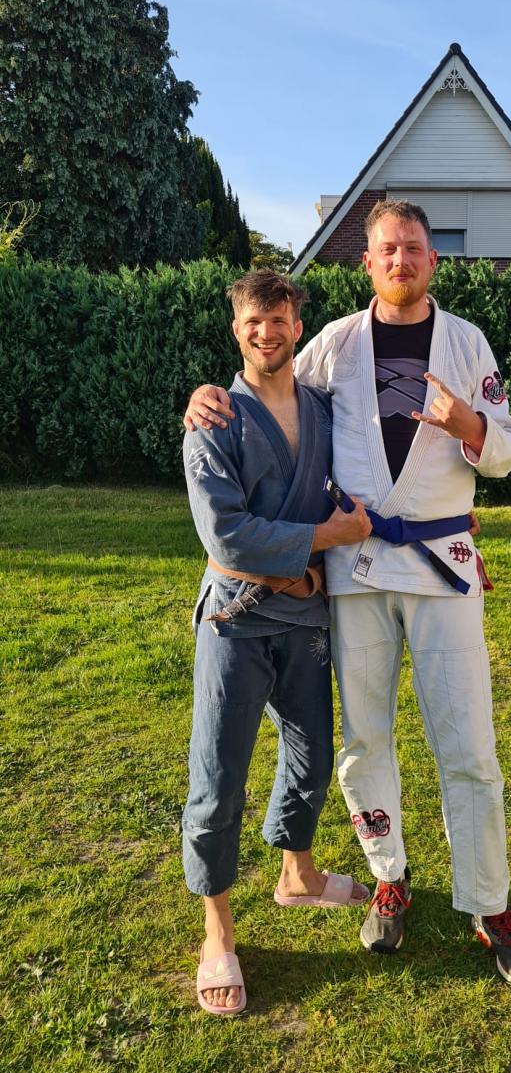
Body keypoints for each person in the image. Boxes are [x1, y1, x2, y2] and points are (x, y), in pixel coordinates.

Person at [184, 201, 511, 986]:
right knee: (364, 740)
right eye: (388, 249)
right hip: (358, 570)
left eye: (414, 248)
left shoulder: (466, 342)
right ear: (368, 261)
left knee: (469, 744)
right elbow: (272, 386)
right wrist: (207, 395)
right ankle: (388, 874)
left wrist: (470, 426)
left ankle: (488, 903)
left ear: (432, 261)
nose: (401, 260)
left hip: (444, 567)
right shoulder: (336, 343)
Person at [182, 269, 372, 1016]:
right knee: (218, 776)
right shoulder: (215, 420)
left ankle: (299, 874)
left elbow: (371, 466)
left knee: (313, 756)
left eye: (280, 319)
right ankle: (217, 930)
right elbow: (225, 534)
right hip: (236, 621)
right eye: (253, 322)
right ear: (238, 330)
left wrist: (445, 516)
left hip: (304, 620)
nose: (267, 332)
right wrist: (322, 542)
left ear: (298, 325)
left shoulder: (323, 408)